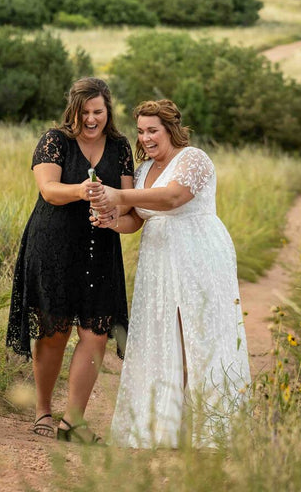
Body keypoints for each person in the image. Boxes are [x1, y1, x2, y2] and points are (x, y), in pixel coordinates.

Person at [91, 99, 251, 449]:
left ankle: (211, 431)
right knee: (163, 335)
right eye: (141, 131)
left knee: (198, 334)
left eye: (153, 130)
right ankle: (165, 429)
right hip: (158, 261)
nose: (146, 138)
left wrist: (117, 193)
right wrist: (110, 220)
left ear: (171, 129)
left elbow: (173, 198)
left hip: (199, 254)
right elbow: (136, 218)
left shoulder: (194, 159)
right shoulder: (145, 168)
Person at [6, 77, 134, 444]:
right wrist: (80, 190)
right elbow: (48, 190)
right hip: (54, 245)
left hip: (100, 247)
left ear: (108, 110)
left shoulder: (121, 147)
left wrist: (114, 214)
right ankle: (43, 411)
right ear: (73, 111)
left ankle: (73, 422)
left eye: (98, 111)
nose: (91, 119)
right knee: (55, 331)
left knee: (95, 334)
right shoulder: (55, 140)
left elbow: (129, 200)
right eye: (84, 112)